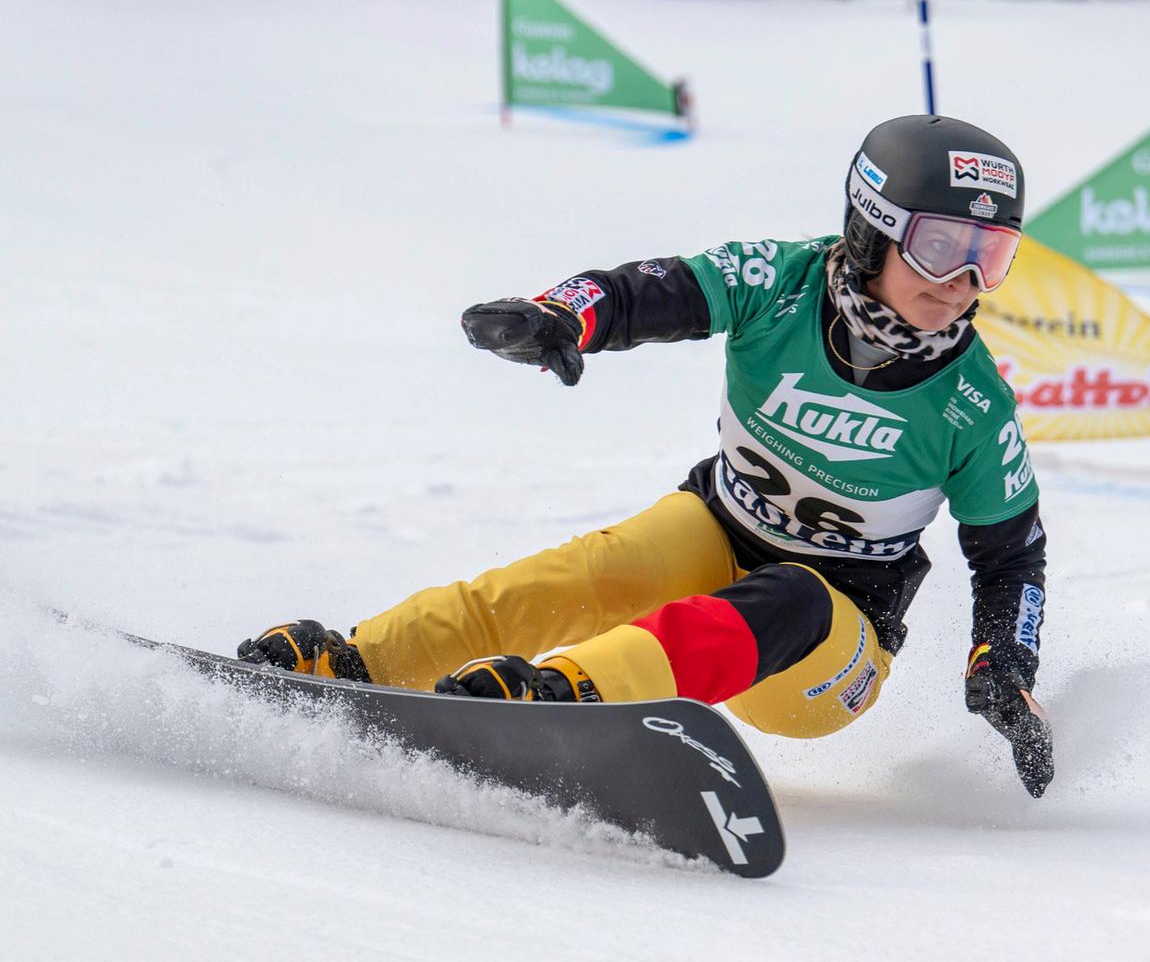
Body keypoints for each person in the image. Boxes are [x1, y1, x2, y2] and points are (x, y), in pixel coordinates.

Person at [240, 115, 1054, 798]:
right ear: (870, 228)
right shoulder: (781, 284)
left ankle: (569, 696)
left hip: (829, 650)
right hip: (721, 533)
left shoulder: (973, 403)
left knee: (795, 593)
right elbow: (645, 292)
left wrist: (1003, 667)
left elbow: (1012, 559)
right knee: (604, 567)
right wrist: (561, 315)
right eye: (943, 245)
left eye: (995, 254)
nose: (965, 281)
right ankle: (358, 659)